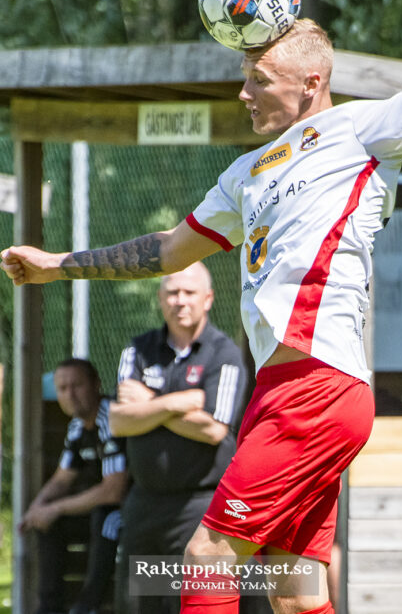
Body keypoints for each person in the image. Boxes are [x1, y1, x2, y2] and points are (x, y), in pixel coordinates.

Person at [2, 0, 402, 614]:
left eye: (258, 79)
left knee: (208, 558)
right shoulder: (244, 175)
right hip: (279, 391)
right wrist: (57, 265)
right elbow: (168, 250)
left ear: (310, 82)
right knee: (293, 587)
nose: (242, 91)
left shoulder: (363, 130)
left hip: (318, 385)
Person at [109, 262, 260, 614]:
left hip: (200, 505)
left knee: (194, 602)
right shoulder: (138, 349)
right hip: (144, 502)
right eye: (172, 292)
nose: (180, 300)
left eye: (189, 292)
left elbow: (214, 429)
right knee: (136, 605)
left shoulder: (224, 354)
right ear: (160, 298)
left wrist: (149, 404)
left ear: (207, 299)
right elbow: (118, 421)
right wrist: (177, 403)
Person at [19, 358, 129, 614]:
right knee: (49, 523)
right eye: (62, 388)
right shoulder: (77, 426)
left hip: (132, 509)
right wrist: (37, 509)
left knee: (105, 518)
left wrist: (55, 508)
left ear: (96, 384)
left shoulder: (112, 419)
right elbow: (62, 479)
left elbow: (114, 491)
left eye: (77, 385)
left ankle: (88, 606)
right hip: (99, 508)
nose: (70, 394)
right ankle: (49, 608)